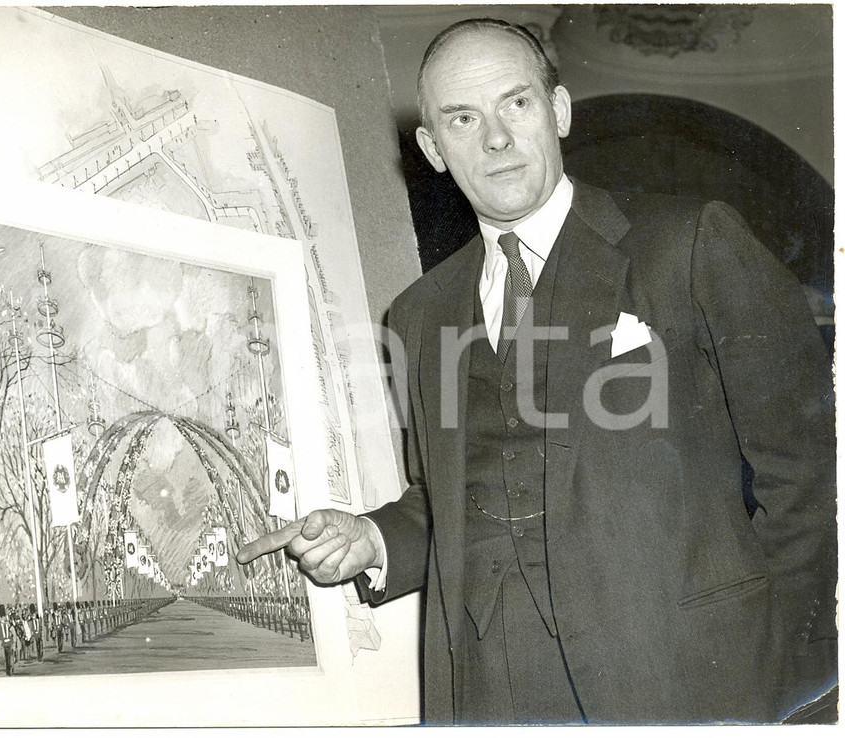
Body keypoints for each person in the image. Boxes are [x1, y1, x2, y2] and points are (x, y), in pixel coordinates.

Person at [237, 18, 837, 725]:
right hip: (491, 692)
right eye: (463, 118)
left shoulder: (691, 243)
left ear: (557, 111)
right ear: (432, 148)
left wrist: (769, 680)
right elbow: (458, 497)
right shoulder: (418, 315)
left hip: (680, 681)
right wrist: (372, 539)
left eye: (515, 104)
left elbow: (813, 474)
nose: (494, 138)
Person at [0, 604, 15, 676]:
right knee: (8, 656)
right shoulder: (5, 621)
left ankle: (8, 669)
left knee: (7, 656)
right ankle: (10, 668)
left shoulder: (0, 622)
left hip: (5, 641)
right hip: (7, 640)